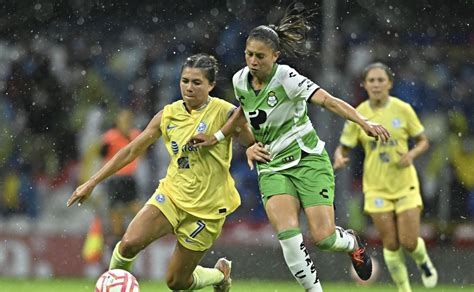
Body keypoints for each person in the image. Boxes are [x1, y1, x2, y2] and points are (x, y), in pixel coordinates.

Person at [190, 5, 390, 292]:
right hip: (272, 165)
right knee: (288, 237)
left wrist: (363, 121)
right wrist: (219, 137)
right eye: (249, 54)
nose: (253, 61)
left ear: (275, 56)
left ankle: (351, 242)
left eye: (260, 56)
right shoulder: (239, 81)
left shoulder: (287, 78)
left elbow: (329, 101)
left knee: (323, 237)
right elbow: (242, 111)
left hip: (307, 160)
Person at [67, 53, 254, 292]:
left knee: (176, 282)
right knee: (128, 244)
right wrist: (91, 182)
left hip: (207, 208)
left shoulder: (224, 112)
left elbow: (251, 141)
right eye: (185, 80)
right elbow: (131, 150)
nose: (189, 87)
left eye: (197, 82)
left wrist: (252, 147)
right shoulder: (168, 115)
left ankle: (219, 275)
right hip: (172, 195)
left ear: (211, 85)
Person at [333, 62, 438, 292]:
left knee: (409, 241)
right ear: (365, 84)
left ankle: (423, 261)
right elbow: (344, 146)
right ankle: (404, 289)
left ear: (389, 84)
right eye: (371, 80)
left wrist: (412, 154)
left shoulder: (403, 109)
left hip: (404, 183)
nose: (376, 84)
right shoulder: (359, 113)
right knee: (390, 243)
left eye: (381, 80)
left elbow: (423, 141)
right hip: (376, 186)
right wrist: (339, 157)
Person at [101, 109, 142, 243]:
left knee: (136, 210)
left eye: (128, 121)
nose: (126, 124)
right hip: (115, 180)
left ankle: (134, 236)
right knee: (116, 213)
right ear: (118, 123)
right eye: (123, 121)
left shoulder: (136, 135)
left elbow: (143, 153)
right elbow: (102, 155)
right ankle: (118, 240)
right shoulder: (110, 137)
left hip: (129, 179)